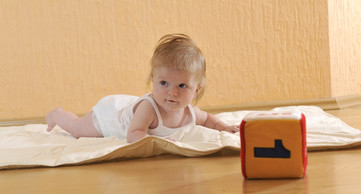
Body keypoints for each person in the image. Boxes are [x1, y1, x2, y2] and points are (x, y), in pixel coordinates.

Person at [46, 33, 240, 143]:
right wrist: (157, 142)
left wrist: (225, 128)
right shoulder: (149, 108)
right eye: (164, 83)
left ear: (196, 90)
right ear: (153, 80)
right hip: (112, 116)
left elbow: (209, 120)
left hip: (126, 107)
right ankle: (58, 114)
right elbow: (134, 134)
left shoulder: (190, 112)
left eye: (182, 86)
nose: (172, 92)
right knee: (77, 129)